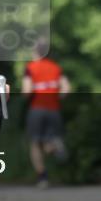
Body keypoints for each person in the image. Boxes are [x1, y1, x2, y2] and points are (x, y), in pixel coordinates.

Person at [22, 39, 70, 188]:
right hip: (54, 109)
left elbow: (27, 90)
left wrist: (27, 96)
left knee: (36, 144)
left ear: (35, 51)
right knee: (49, 140)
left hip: (37, 109)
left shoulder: (31, 67)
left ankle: (42, 178)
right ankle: (54, 146)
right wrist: (56, 96)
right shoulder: (56, 68)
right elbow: (66, 88)